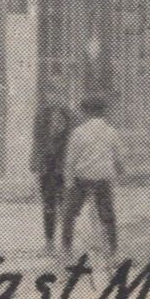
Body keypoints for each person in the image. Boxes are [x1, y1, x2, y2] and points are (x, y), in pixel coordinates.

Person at [59, 95, 122, 256]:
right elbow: (118, 159)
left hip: (82, 178)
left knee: (70, 214)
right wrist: (119, 174)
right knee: (107, 215)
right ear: (103, 112)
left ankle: (66, 248)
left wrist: (68, 182)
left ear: (86, 112)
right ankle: (112, 248)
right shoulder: (111, 132)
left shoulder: (78, 133)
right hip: (103, 178)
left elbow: (70, 160)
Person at [31, 101, 74, 250]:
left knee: (65, 206)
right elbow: (36, 143)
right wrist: (35, 162)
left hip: (64, 171)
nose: (56, 125)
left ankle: (65, 242)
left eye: (60, 121)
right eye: (54, 121)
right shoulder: (42, 119)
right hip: (47, 170)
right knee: (48, 206)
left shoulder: (70, 122)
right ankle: (49, 241)